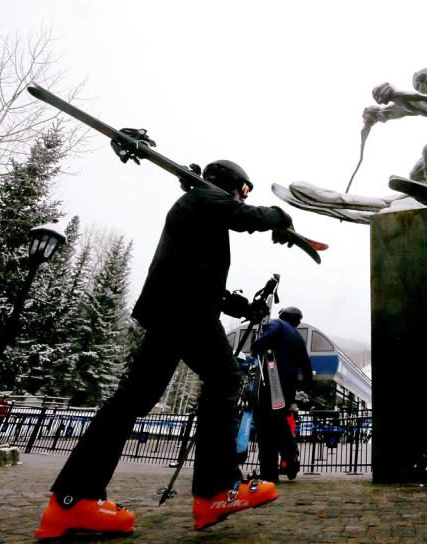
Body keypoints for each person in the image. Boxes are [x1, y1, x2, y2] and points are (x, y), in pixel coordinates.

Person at [35, 160, 297, 539]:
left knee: (133, 399)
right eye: (244, 188)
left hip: (175, 308)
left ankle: (73, 502)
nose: (244, 196)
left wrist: (239, 307)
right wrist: (279, 215)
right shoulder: (206, 197)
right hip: (183, 310)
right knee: (224, 379)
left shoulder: (197, 209)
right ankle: (216, 490)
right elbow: (247, 217)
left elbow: (195, 272)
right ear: (230, 184)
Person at [250, 305, 313, 483]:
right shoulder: (298, 337)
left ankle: (270, 471)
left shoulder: (277, 324)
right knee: (278, 421)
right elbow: (307, 366)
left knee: (265, 426)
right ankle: (290, 457)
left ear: (283, 315)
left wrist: (255, 346)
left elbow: (267, 338)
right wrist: (306, 389)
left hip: (270, 381)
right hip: (286, 388)